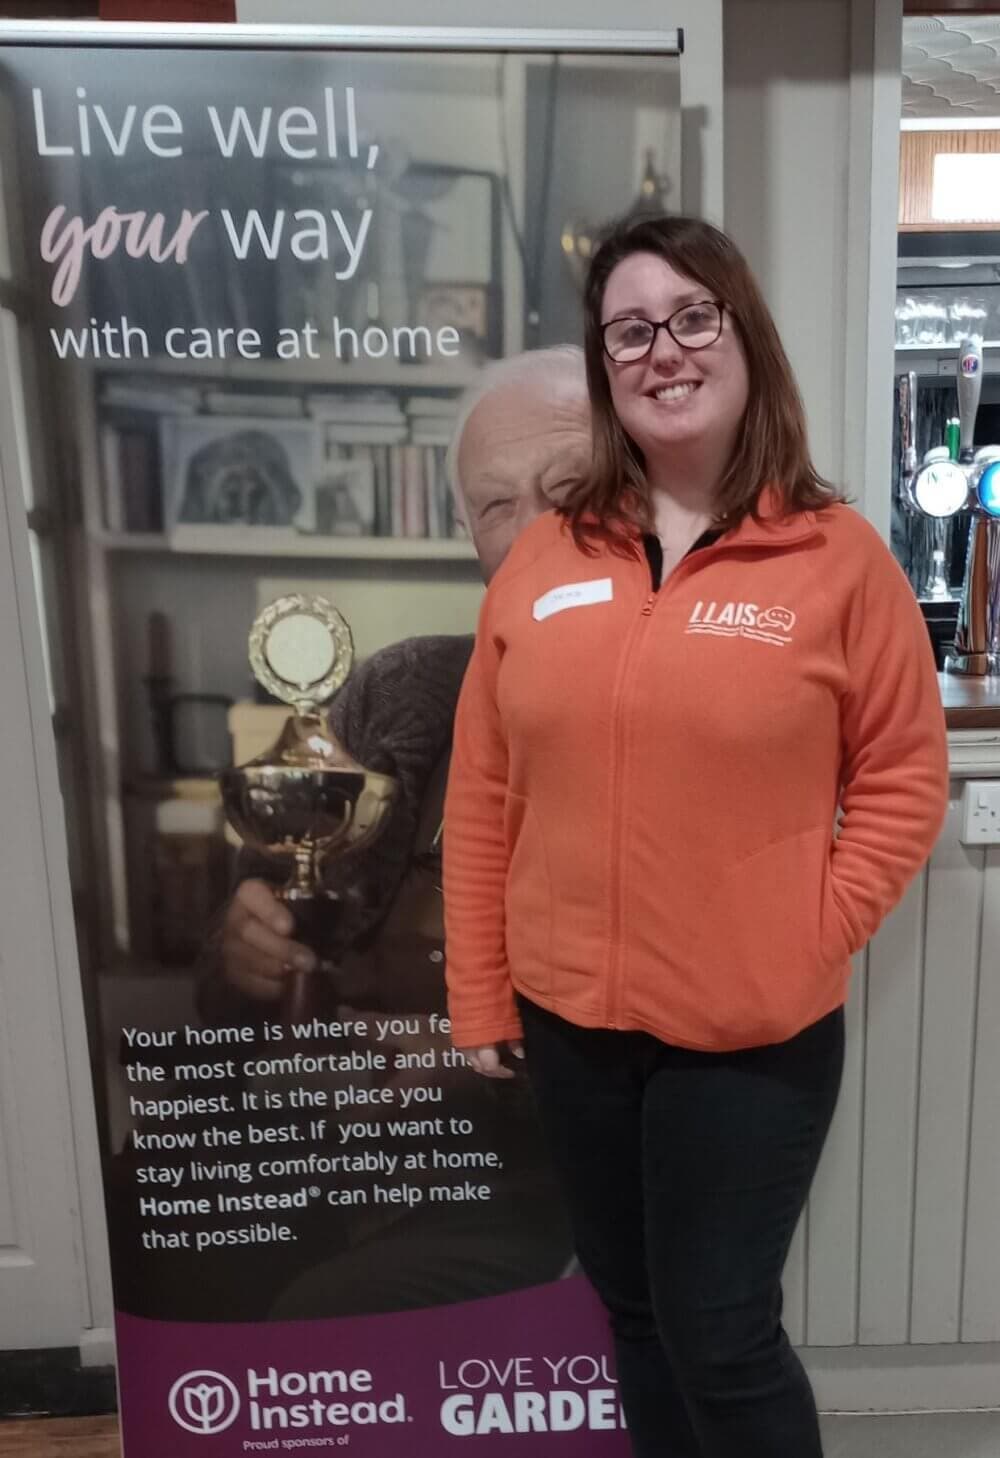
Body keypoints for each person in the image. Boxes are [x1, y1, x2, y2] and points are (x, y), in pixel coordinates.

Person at [442, 216, 950, 1458]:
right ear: (604, 365)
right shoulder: (547, 558)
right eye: (628, 330)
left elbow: (901, 776)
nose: (660, 350)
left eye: (688, 317)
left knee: (720, 1333)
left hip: (750, 1039)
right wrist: (480, 996)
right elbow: (482, 787)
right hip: (572, 1027)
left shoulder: (836, 560)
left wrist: (803, 938)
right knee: (637, 1320)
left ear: (739, 334)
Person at [197, 345, 591, 1320]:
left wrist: (454, 1060)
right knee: (161, 1233)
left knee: (318, 1309)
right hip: (339, 1148)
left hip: (524, 1185)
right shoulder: (393, 690)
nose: (531, 530)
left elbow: (675, 1060)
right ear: (468, 532)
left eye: (571, 490)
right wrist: (241, 952)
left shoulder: (680, 718)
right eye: (497, 504)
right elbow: (232, 995)